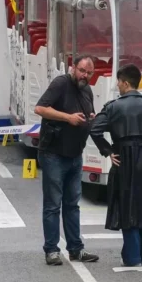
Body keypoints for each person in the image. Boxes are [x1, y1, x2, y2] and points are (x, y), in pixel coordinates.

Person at [89, 64, 142, 267]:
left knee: (126, 204)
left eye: (119, 83)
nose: (118, 86)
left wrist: (108, 151)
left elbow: (95, 129)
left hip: (124, 158)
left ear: (125, 83)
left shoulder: (113, 106)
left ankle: (132, 256)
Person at [34, 56, 100, 265]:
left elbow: (88, 113)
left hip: (75, 154)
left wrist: (91, 118)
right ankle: (52, 250)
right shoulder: (61, 83)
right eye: (82, 71)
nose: (85, 75)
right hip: (54, 153)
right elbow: (40, 108)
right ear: (73, 68)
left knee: (72, 204)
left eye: (89, 73)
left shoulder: (87, 90)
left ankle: (75, 249)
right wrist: (68, 118)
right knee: (53, 204)